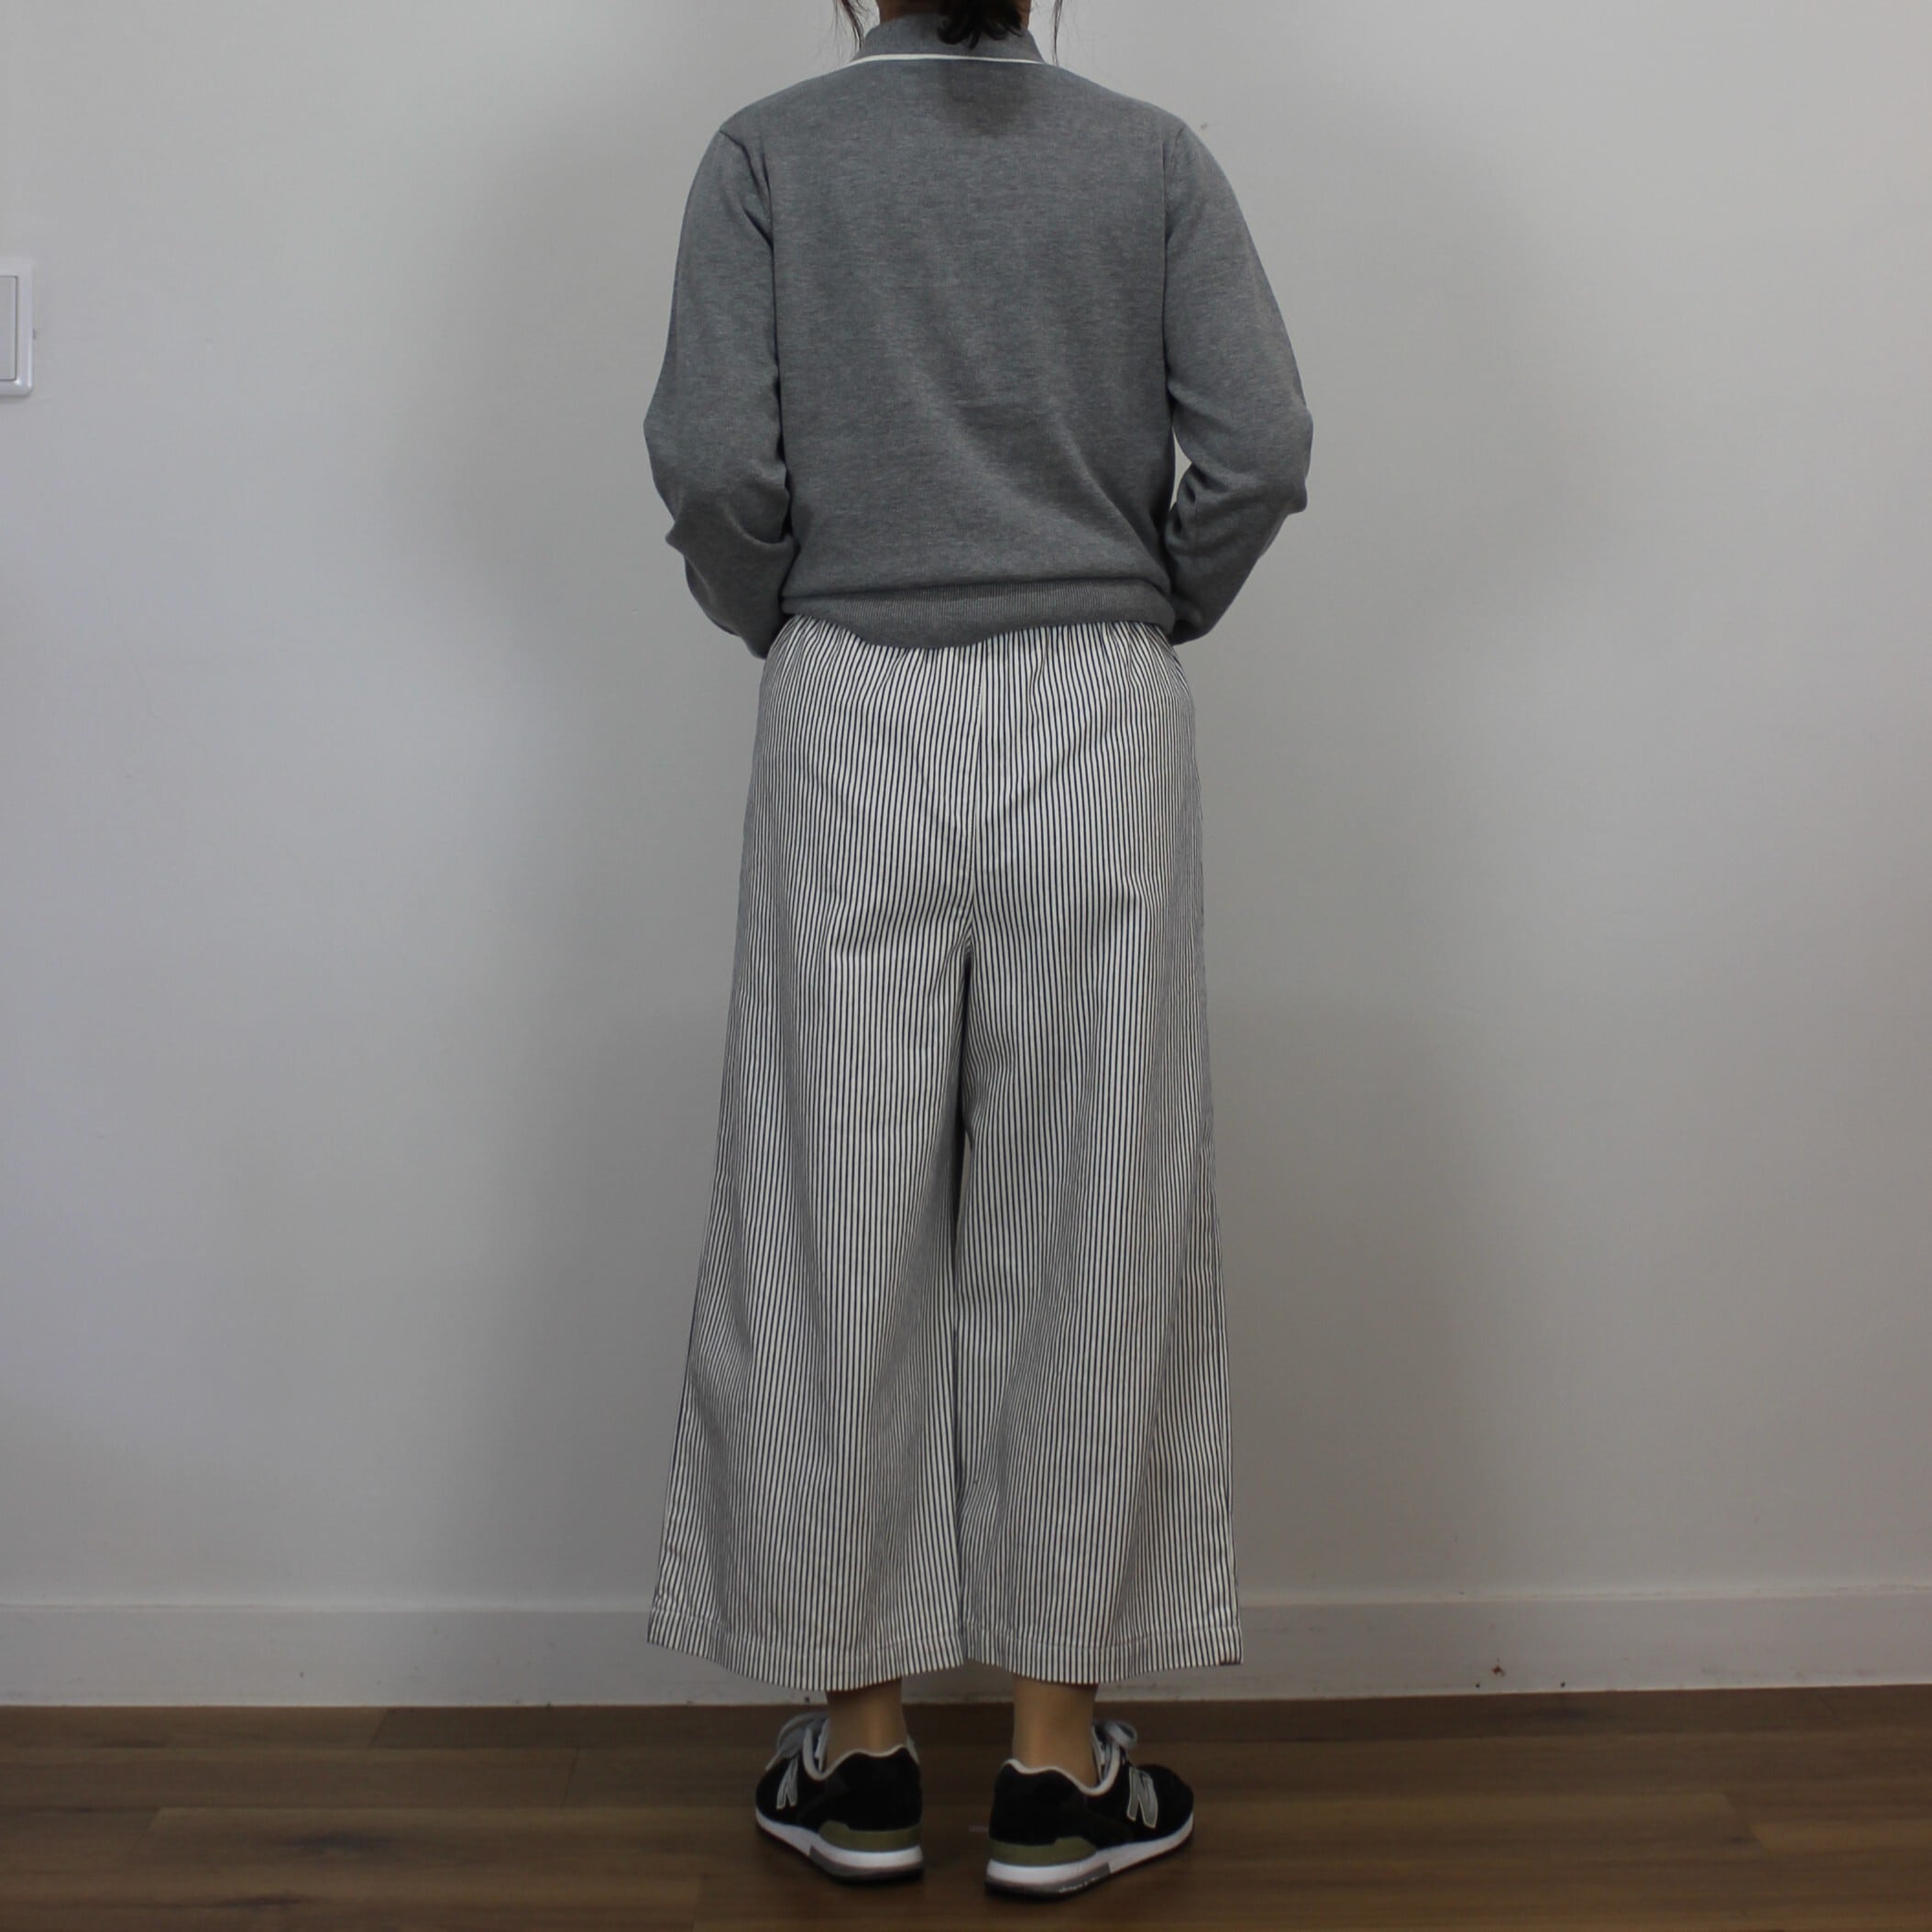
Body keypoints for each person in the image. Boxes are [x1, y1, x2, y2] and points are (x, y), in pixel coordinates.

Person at [641, 0, 1312, 1899]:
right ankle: (1051, 1767)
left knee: (826, 1210)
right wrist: (1137, 597)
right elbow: (1261, 448)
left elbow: (714, 463)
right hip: (1099, 705)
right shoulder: (1151, 156)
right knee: (1092, 1210)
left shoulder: (768, 155)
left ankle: (860, 1759)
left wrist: (795, 610)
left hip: (850, 692)